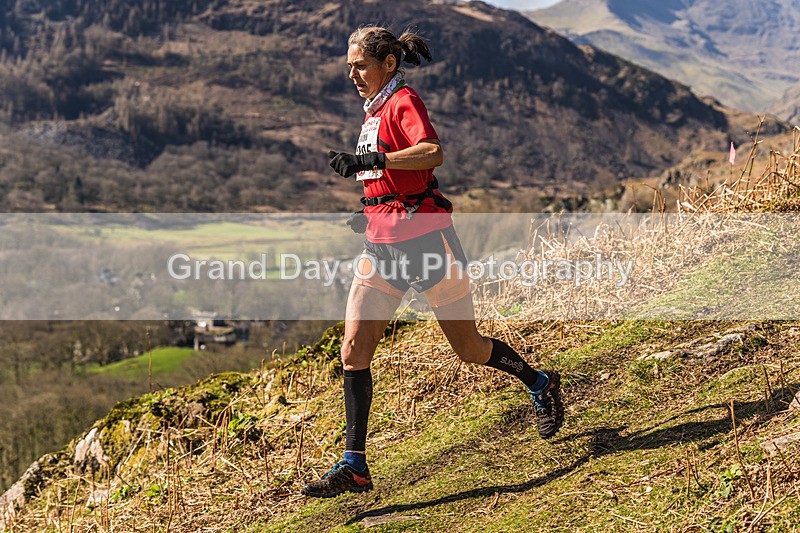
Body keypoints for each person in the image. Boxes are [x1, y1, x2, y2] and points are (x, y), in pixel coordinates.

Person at [301, 26, 563, 498]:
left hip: (428, 244)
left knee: (469, 348)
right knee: (353, 349)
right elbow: (391, 172)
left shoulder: (403, 101)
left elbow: (432, 153)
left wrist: (374, 160)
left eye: (360, 65)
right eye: (349, 67)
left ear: (388, 64)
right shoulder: (373, 110)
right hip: (382, 246)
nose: (353, 75)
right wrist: (369, 196)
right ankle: (355, 464)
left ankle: (540, 381)